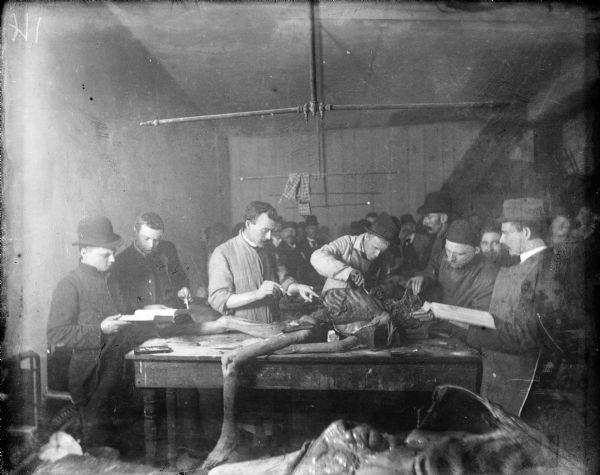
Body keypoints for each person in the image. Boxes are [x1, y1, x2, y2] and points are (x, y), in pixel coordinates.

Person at [440, 198, 572, 416]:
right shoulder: (518, 264)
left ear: (526, 233)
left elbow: (528, 335)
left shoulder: (548, 270)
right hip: (498, 375)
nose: (501, 239)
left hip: (521, 385)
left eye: (506, 232)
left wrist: (468, 327)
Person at [47, 216, 144, 448]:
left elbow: (126, 314)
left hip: (123, 375)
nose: (112, 259)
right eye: (105, 255)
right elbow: (57, 334)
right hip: (93, 380)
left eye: (113, 253)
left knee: (127, 446)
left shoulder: (114, 281)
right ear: (84, 253)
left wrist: (144, 311)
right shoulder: (69, 285)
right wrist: (100, 330)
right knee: (99, 447)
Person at [208, 201, 318, 323]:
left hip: (272, 325)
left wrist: (298, 287)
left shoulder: (270, 249)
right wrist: (256, 294)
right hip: (241, 332)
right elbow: (218, 299)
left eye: (272, 231)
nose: (269, 236)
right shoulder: (223, 253)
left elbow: (284, 281)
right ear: (249, 224)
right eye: (265, 230)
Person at [408, 219, 499, 312]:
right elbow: (432, 268)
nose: (450, 258)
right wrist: (423, 278)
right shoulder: (445, 255)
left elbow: (479, 317)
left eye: (459, 254)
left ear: (476, 250)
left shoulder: (488, 276)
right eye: (448, 251)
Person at [109, 212, 191, 314]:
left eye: (157, 240)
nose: (151, 245)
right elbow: (121, 303)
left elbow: (180, 277)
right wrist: (145, 308)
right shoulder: (120, 262)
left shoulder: (168, 249)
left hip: (176, 317)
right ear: (135, 230)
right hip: (144, 324)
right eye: (146, 238)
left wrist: (182, 289)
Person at [310, 212, 400, 294]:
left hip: (362, 302)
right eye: (375, 247)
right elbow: (317, 257)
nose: (377, 254)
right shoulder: (347, 243)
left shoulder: (384, 257)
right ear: (368, 236)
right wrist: (348, 272)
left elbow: (386, 281)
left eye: (382, 250)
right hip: (334, 298)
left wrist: (381, 289)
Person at [416, 191, 453, 272]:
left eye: (428, 217)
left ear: (444, 218)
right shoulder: (438, 238)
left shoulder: (453, 243)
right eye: (424, 217)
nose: (424, 222)